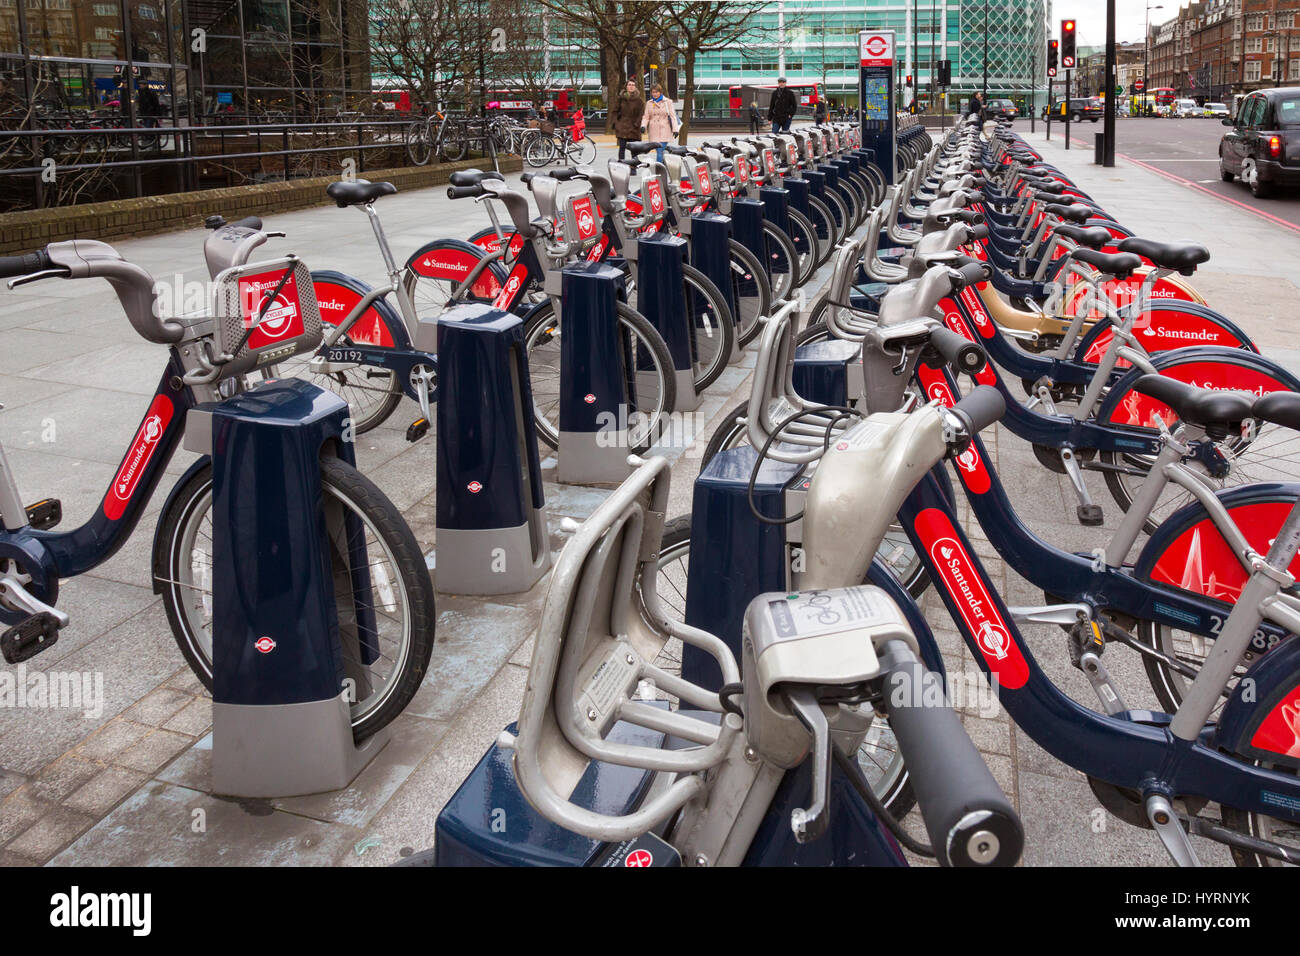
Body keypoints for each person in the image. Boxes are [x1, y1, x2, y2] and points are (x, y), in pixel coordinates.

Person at [640, 83, 678, 164]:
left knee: (660, 150)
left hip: (665, 129)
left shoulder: (668, 102)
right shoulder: (649, 103)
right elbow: (646, 116)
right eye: (653, 92)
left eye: (656, 92)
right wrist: (643, 126)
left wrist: (675, 129)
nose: (655, 94)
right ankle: (664, 165)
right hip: (654, 130)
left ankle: (659, 169)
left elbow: (673, 116)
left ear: (660, 92)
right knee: (659, 151)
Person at [613, 80, 644, 160]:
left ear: (635, 87)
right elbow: (614, 111)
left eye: (633, 85)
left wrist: (636, 124)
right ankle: (621, 167)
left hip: (634, 128)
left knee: (634, 150)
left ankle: (633, 169)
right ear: (626, 87)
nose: (631, 86)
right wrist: (617, 123)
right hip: (622, 127)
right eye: (629, 85)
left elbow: (641, 114)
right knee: (622, 149)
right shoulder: (621, 99)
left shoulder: (639, 100)